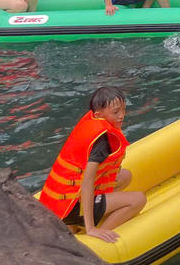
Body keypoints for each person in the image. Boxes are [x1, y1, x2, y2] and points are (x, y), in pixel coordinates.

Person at [39, 86, 145, 242]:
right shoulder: (100, 141)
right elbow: (87, 182)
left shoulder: (92, 123)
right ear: (99, 114)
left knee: (125, 176)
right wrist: (91, 228)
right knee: (139, 199)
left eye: (123, 109)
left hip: (59, 201)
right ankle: (97, 232)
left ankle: (75, 222)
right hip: (71, 204)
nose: (121, 115)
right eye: (115, 112)